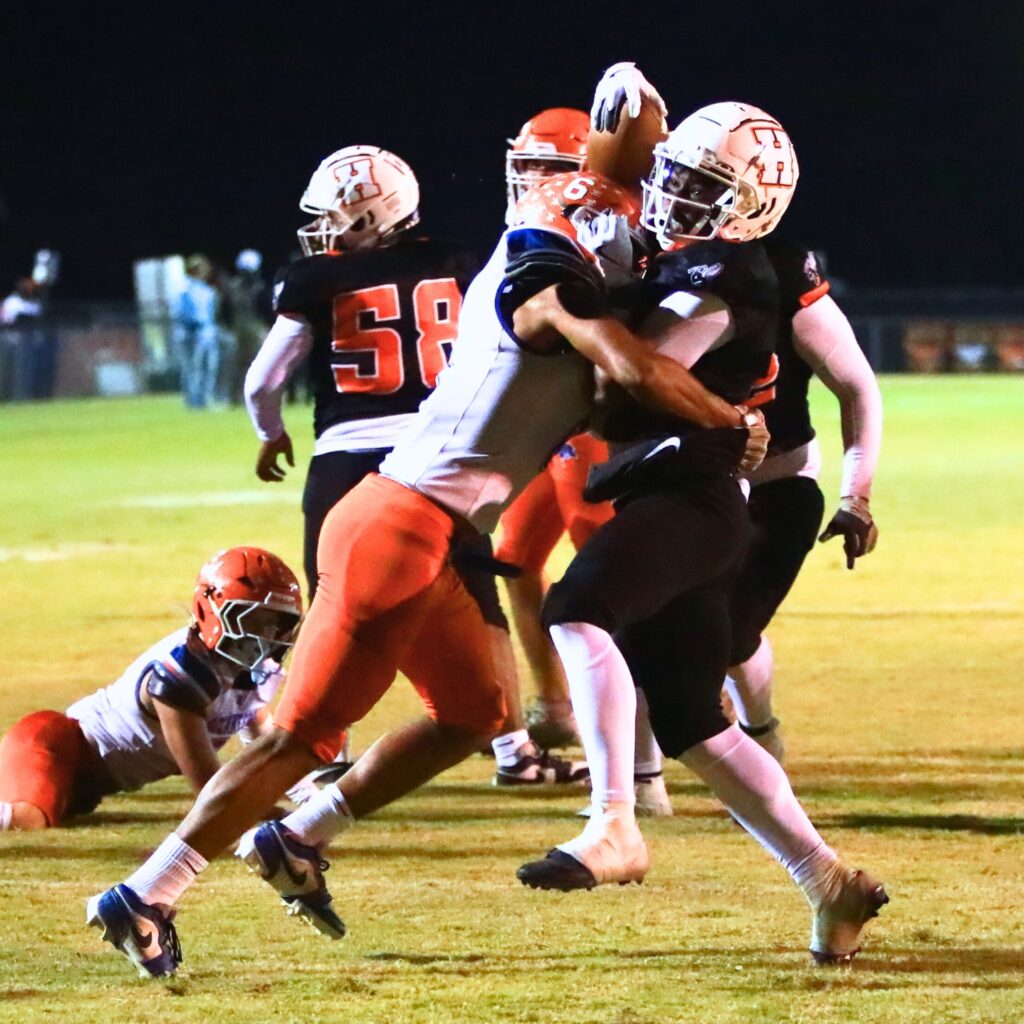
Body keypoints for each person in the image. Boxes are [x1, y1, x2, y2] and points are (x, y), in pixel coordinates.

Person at [87, 167, 764, 977]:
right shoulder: (545, 282)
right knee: (300, 739)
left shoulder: (560, 289)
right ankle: (145, 893)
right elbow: (628, 369)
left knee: (480, 711)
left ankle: (300, 836)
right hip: (397, 526)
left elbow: (620, 396)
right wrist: (733, 422)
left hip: (430, 531)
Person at [518, 66, 887, 967]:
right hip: (693, 493)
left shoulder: (726, 271)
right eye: (674, 174)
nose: (673, 196)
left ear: (752, 207)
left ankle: (613, 822)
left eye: (701, 188)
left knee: (574, 609)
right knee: (691, 717)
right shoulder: (691, 256)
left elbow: (621, 384)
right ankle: (828, 882)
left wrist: (579, 287)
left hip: (698, 493)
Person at [243, 144, 582, 787]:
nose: (323, 229)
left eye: (335, 215)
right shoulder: (458, 262)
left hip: (348, 462)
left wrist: (270, 433)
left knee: (337, 610)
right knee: (482, 607)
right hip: (441, 455)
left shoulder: (315, 281)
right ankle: (517, 755)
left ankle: (324, 753)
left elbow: (263, 381)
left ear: (373, 215)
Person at [0, 548, 305, 833]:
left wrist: (310, 796)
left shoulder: (252, 668)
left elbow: (264, 742)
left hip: (83, 782)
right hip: (55, 746)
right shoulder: (181, 675)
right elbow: (211, 788)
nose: (265, 635)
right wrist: (276, 815)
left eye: (276, 622)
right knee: (27, 819)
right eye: (252, 619)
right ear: (212, 608)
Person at [722, 239, 883, 760]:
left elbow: (857, 386)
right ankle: (637, 780)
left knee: (730, 632)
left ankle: (758, 731)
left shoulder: (783, 273)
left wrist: (855, 496)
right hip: (682, 480)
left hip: (776, 479)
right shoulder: (645, 255)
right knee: (642, 625)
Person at [492, 107, 614, 753]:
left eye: (551, 167)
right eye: (527, 166)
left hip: (591, 425)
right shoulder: (528, 233)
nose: (535, 179)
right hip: (545, 425)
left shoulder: (605, 235)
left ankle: (711, 698)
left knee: (605, 567)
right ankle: (555, 701)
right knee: (513, 557)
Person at [173, 254, 221, 409]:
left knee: (207, 368)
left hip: (205, 334)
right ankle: (194, 402)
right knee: (192, 369)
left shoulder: (206, 289)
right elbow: (181, 312)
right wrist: (193, 325)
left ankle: (204, 399)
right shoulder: (184, 288)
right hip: (190, 334)